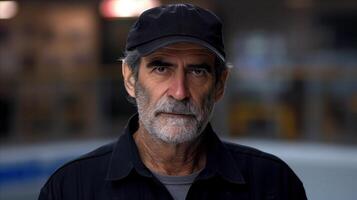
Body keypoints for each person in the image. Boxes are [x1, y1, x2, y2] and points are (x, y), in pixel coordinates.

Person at [38, 3, 307, 200]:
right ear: (130, 78)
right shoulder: (71, 188)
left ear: (220, 84)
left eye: (197, 71)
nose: (179, 92)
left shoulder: (273, 184)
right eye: (160, 68)